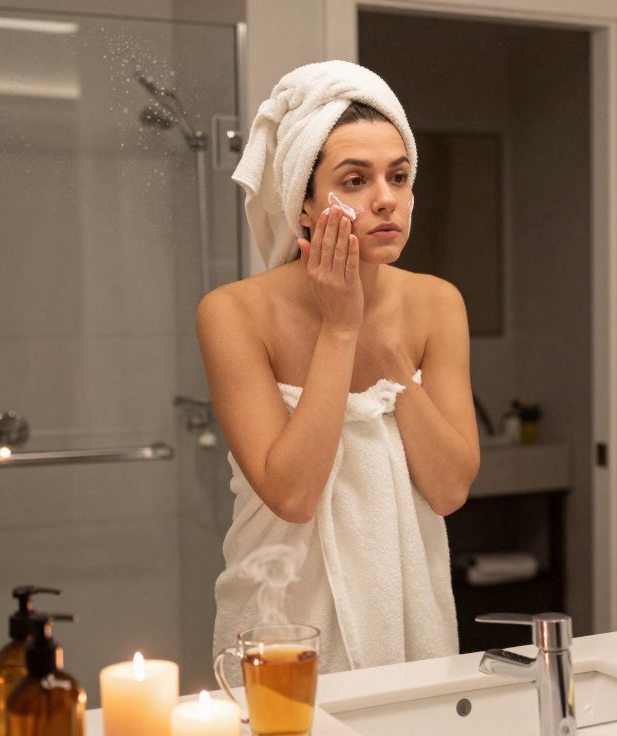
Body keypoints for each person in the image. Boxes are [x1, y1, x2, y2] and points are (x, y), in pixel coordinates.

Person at [199, 61, 478, 673]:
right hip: (281, 624)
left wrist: (386, 352)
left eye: (399, 177)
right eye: (354, 181)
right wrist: (342, 327)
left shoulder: (438, 303)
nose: (386, 199)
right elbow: (293, 495)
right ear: (303, 203)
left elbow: (450, 488)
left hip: (410, 616)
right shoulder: (234, 314)